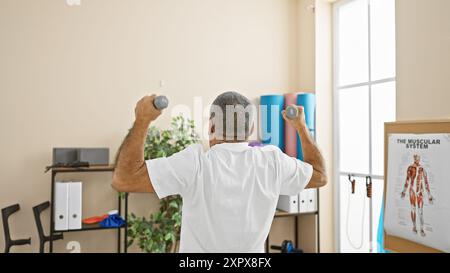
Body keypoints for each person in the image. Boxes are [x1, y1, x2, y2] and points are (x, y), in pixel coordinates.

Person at [112, 91, 328, 252]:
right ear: (251, 130)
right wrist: (301, 126)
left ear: (211, 127)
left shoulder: (195, 163)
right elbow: (319, 174)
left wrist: (142, 120)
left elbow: (124, 179)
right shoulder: (272, 161)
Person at [401, 155, 434, 237]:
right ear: (414, 158)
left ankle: (422, 229)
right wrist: (404, 191)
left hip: (419, 192)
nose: (417, 160)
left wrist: (429, 195)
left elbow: (426, 182)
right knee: (413, 209)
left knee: (420, 211)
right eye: (416, 158)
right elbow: (407, 180)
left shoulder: (422, 169)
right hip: (412, 191)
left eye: (418, 158)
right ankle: (414, 227)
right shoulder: (410, 168)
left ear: (419, 159)